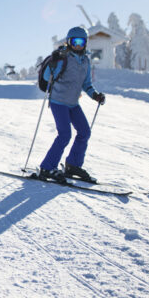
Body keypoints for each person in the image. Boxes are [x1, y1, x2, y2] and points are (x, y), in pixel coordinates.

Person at [38, 25, 106, 184]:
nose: (77, 45)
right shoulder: (63, 57)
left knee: (84, 132)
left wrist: (95, 95)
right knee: (64, 135)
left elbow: (87, 84)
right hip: (58, 102)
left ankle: (73, 165)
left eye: (81, 42)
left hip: (73, 103)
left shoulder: (85, 61)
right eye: (74, 41)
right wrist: (53, 61)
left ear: (85, 43)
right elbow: (48, 76)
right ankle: (47, 167)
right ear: (69, 42)